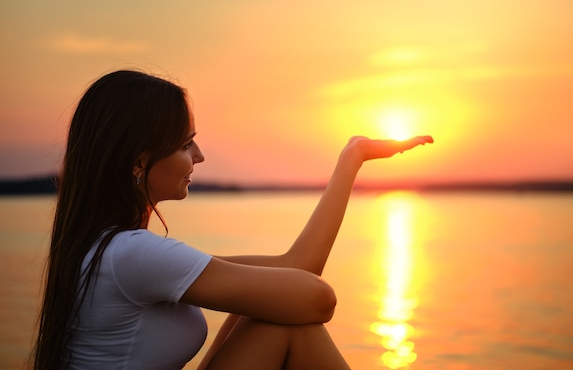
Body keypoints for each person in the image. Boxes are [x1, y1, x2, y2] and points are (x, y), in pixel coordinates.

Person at [32, 69, 433, 370]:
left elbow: (296, 271)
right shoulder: (131, 255)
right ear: (140, 161)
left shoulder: (108, 249)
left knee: (267, 310)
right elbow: (317, 297)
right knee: (285, 323)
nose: (200, 156)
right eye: (186, 143)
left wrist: (352, 156)